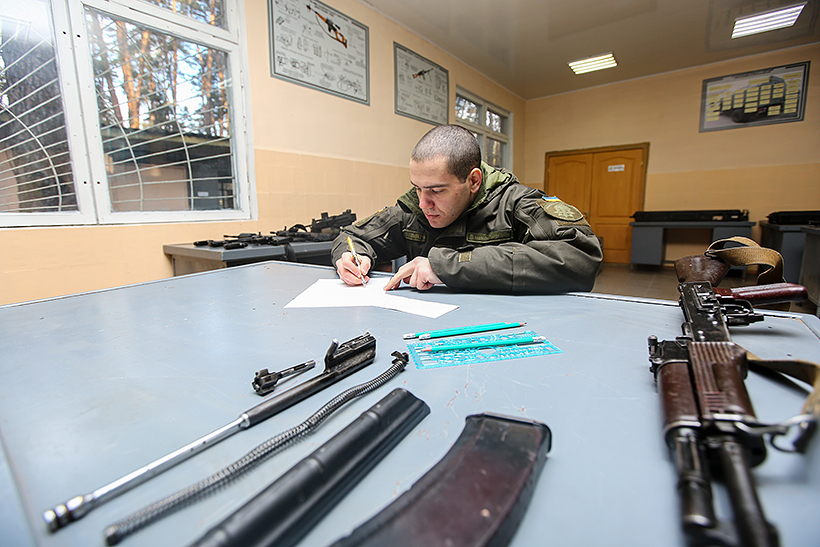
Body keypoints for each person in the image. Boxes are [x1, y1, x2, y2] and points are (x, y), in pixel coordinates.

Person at [332, 124, 602, 293]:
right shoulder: (413, 209)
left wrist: (445, 266)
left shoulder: (517, 203)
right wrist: (350, 257)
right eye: (417, 188)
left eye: (437, 190)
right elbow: (352, 236)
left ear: (473, 181)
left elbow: (579, 257)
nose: (424, 203)